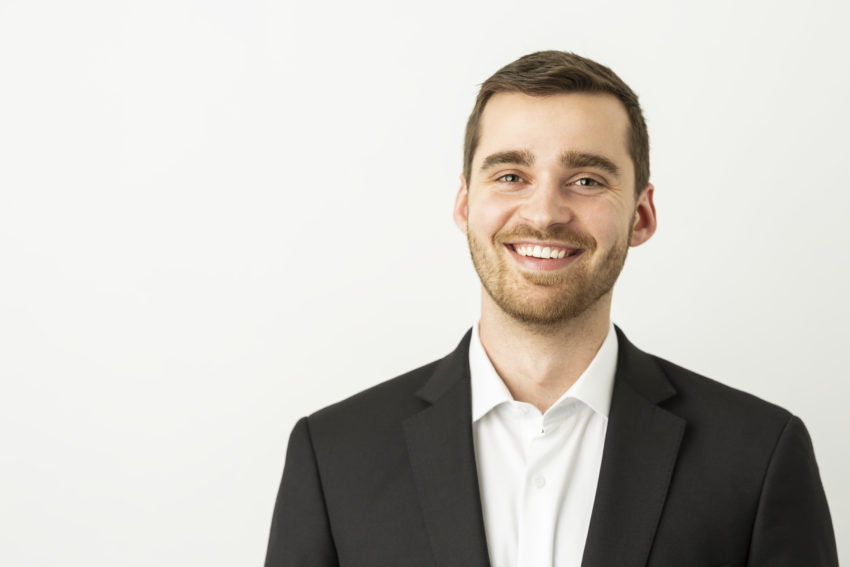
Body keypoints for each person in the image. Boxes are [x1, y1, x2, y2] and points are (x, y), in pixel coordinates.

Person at [264, 51, 838, 566]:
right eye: (511, 175)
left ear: (641, 215)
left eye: (586, 179)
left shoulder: (759, 455)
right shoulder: (334, 455)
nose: (544, 212)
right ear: (466, 203)